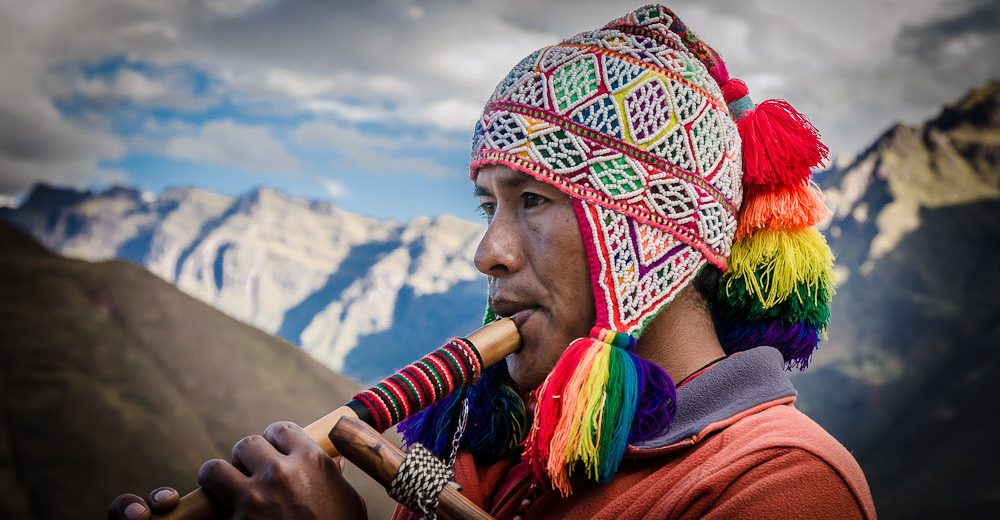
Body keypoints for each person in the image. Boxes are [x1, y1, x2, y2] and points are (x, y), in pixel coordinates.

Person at [109, 4, 876, 519]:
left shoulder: (786, 483)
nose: (487, 253)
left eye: (533, 201)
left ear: (649, 240)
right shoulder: (504, 456)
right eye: (488, 205)